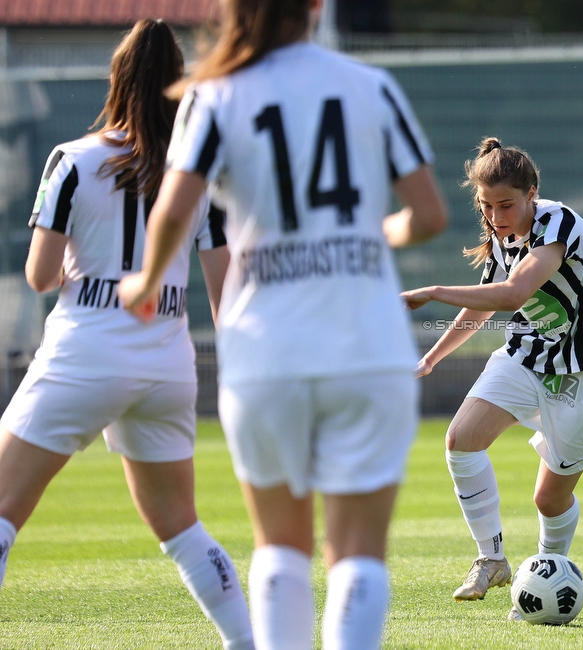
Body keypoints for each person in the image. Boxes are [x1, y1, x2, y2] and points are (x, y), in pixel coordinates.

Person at [117, 1, 448, 648]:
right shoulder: (369, 85)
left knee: (280, 545)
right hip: (368, 345)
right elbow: (430, 214)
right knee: (357, 552)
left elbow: (174, 214)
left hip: (267, 349)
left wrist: (146, 281)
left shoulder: (214, 94)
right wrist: (379, 231)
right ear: (317, 8)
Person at [0, 19, 254, 650]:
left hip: (85, 349)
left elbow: (37, 277)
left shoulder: (72, 159)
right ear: (179, 86)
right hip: (167, 359)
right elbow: (225, 298)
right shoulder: (198, 175)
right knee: (182, 529)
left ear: (115, 79)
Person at [402, 137, 583, 617]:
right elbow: (484, 301)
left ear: (531, 193)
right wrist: (434, 356)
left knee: (548, 499)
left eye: (506, 204)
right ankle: (491, 559)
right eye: (486, 206)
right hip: (528, 357)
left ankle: (551, 568)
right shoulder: (502, 235)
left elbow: (513, 293)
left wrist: (432, 291)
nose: (496, 216)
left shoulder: (558, 222)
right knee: (461, 439)